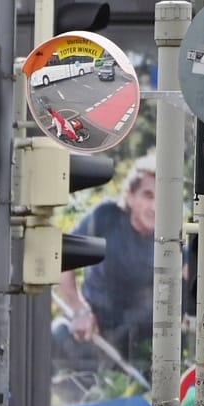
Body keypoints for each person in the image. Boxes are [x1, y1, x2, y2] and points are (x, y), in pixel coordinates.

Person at [53, 154, 156, 374]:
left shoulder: (173, 238)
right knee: (56, 336)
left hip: (142, 347)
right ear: (129, 196)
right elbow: (63, 257)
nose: (156, 206)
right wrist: (80, 309)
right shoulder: (105, 217)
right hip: (93, 332)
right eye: (149, 195)